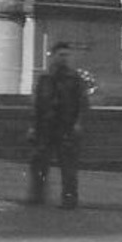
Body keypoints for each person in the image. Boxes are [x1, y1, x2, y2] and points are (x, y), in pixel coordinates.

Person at [27, 42, 89, 208]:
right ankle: (37, 196)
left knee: (68, 165)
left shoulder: (74, 79)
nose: (64, 59)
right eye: (61, 55)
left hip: (66, 126)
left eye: (66, 55)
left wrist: (78, 123)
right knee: (39, 163)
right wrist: (33, 126)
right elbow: (37, 103)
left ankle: (69, 198)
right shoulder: (44, 78)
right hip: (45, 126)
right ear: (53, 56)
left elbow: (82, 103)